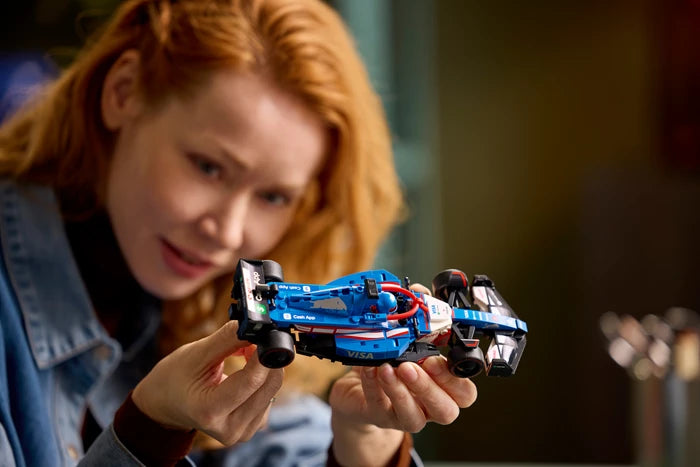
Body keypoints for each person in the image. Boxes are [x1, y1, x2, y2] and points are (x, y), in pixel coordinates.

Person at [0, 0, 478, 465]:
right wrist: (151, 431)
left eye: (273, 197)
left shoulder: (195, 303)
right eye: (208, 167)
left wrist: (363, 446)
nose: (227, 234)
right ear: (123, 92)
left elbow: (293, 442)